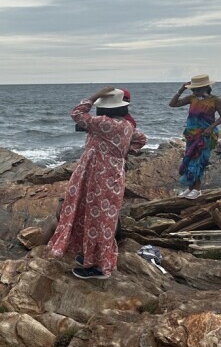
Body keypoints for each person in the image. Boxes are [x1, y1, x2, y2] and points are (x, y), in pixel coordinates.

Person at [47, 87, 147, 279]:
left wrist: (96, 95)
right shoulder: (126, 125)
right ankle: (93, 257)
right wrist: (121, 153)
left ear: (106, 109)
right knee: (103, 219)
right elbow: (142, 139)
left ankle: (98, 267)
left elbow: (76, 113)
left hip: (95, 176)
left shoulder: (104, 124)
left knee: (92, 216)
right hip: (113, 175)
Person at [169, 74, 221, 199]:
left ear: (206, 87)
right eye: (193, 89)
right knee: (189, 161)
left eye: (198, 89)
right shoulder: (191, 98)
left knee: (199, 161)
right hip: (191, 135)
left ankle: (197, 190)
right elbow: (172, 104)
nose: (195, 91)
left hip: (206, 135)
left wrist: (210, 127)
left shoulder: (215, 100)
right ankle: (190, 188)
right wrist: (181, 90)